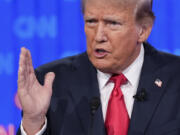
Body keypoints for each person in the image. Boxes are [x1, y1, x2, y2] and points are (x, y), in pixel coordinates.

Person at [17, 0, 180, 134]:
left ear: (143, 30)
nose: (98, 36)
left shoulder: (176, 77)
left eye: (113, 23)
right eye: (91, 22)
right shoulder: (51, 84)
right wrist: (33, 121)